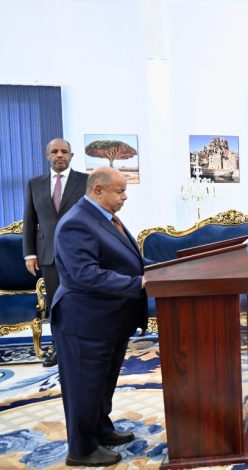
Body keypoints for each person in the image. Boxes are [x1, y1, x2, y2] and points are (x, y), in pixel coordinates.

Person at [51, 166, 147, 466]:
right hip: (84, 320)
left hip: (110, 319)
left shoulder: (104, 218)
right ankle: (81, 449)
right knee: (84, 386)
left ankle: (100, 429)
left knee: (103, 382)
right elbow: (85, 275)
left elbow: (127, 261)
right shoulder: (76, 223)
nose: (125, 197)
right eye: (120, 191)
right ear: (97, 190)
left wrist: (164, 269)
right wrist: (138, 283)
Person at [23, 138, 88, 368]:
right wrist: (29, 254)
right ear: (47, 155)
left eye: (64, 151)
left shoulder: (86, 181)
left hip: (80, 254)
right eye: (54, 151)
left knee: (81, 301)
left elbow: (94, 216)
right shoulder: (34, 184)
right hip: (48, 254)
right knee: (55, 304)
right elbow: (29, 220)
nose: (59, 155)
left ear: (71, 155)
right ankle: (59, 348)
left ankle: (82, 346)